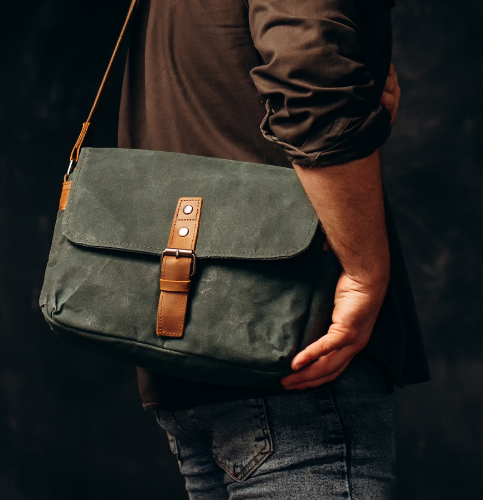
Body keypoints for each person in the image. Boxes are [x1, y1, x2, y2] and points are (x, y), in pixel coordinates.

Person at [118, 0, 429, 498]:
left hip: (184, 364)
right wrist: (364, 274)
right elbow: (312, 78)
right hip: (293, 352)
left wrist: (364, 48)